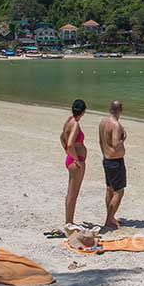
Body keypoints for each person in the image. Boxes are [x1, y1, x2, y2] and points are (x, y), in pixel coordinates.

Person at [99, 100, 127, 229]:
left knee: (109, 188)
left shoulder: (103, 122)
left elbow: (101, 141)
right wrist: (123, 138)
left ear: (110, 109)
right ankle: (109, 220)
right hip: (115, 162)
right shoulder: (115, 125)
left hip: (106, 159)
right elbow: (116, 144)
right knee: (119, 192)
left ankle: (110, 217)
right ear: (120, 110)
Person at [61, 99, 88, 231]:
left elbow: (62, 138)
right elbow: (71, 143)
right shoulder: (75, 124)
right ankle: (69, 222)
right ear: (83, 111)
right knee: (73, 193)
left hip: (70, 158)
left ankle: (68, 221)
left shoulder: (69, 120)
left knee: (70, 192)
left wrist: (67, 152)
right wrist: (77, 159)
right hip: (76, 161)